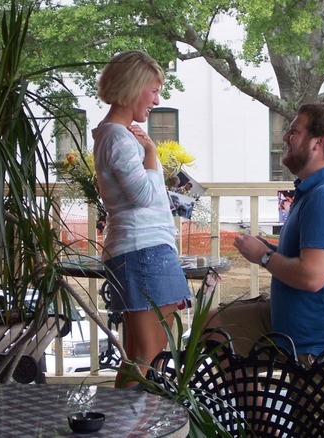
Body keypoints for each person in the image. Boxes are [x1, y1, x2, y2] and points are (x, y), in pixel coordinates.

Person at [210, 102, 324, 370]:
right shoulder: (318, 188)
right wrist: (272, 250)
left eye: (294, 131)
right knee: (214, 325)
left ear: (318, 143)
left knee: (313, 414)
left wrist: (262, 257)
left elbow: (311, 276)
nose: (285, 137)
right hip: (293, 325)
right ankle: (253, 412)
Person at [92, 50, 191, 387]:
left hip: (139, 248)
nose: (157, 98)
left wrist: (149, 155)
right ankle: (129, 428)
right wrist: (151, 155)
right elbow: (144, 195)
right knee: (149, 352)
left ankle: (130, 426)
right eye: (153, 89)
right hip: (143, 249)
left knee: (141, 351)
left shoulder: (113, 134)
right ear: (132, 87)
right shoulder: (118, 137)